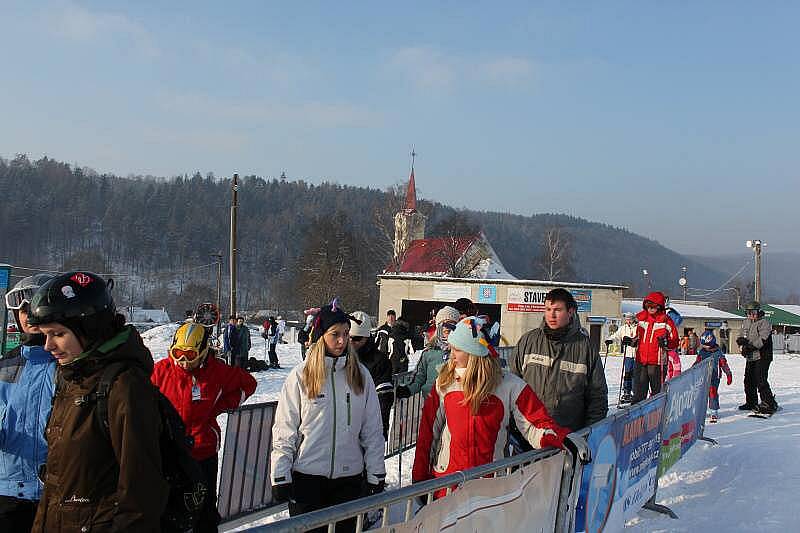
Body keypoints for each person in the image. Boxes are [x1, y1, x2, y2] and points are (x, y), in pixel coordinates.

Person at [27, 271, 168, 530]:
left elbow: (141, 493)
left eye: (58, 334)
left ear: (88, 329)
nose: (48, 346)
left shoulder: (123, 387)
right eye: (45, 335)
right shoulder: (73, 378)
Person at [412, 316, 569, 497]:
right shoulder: (445, 382)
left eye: (457, 349)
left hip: (491, 487)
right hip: (448, 485)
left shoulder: (508, 384)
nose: (451, 354)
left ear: (474, 353)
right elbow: (428, 432)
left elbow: (535, 424)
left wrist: (559, 438)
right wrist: (421, 477)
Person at [270, 300, 386, 532]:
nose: (342, 341)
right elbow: (285, 429)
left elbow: (372, 429)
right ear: (321, 335)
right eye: (335, 334)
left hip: (349, 480)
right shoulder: (301, 376)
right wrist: (280, 473)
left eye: (346, 333)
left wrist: (376, 470)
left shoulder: (360, 375)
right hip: (307, 479)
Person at [152, 322, 257, 532]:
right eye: (178, 353)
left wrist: (219, 405)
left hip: (202, 451)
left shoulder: (217, 372)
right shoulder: (161, 370)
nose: (182, 360)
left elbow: (248, 384)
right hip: (168, 453)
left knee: (203, 509)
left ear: (203, 352)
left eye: (190, 355)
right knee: (168, 512)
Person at [0, 274, 56, 531]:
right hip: (8, 492)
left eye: (33, 305)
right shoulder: (5, 366)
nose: (27, 314)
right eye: (21, 309)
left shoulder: (70, 365)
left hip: (58, 494)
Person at [509, 288, 608, 430]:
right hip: (526, 432)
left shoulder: (586, 348)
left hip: (566, 437)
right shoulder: (528, 341)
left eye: (558, 310)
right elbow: (511, 384)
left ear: (570, 312)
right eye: (548, 309)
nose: (551, 315)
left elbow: (598, 397)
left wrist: (587, 435)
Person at [396, 306, 460, 401]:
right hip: (431, 403)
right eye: (443, 323)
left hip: (455, 404)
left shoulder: (463, 352)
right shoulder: (429, 352)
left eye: (451, 324)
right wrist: (408, 389)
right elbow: (419, 377)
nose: (447, 327)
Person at [349, 311, 394, 439]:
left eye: (357, 338)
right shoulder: (341, 356)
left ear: (367, 337)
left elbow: (384, 399)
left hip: (367, 427)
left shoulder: (380, 361)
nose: (351, 341)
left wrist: (380, 431)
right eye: (349, 336)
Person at [631, 291, 679, 404]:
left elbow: (675, 341)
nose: (651, 308)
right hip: (640, 360)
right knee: (638, 392)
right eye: (648, 306)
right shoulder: (640, 319)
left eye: (654, 306)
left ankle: (657, 415)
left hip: (657, 363)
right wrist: (632, 340)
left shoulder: (666, 321)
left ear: (660, 306)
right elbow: (635, 335)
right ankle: (637, 418)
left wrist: (667, 343)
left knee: (657, 393)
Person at [736, 301, 777, 414]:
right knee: (748, 380)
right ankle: (751, 402)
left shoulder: (764, 323)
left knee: (760, 379)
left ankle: (768, 403)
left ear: (758, 312)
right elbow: (741, 334)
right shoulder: (746, 322)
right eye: (749, 313)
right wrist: (741, 342)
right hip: (751, 356)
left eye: (753, 312)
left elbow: (763, 339)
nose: (751, 315)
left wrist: (750, 346)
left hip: (763, 355)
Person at [693, 331, 732, 423]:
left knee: (712, 393)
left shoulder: (718, 353)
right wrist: (692, 371)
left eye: (707, 345)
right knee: (701, 394)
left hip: (714, 377)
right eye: (703, 345)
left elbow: (724, 364)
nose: (705, 347)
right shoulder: (702, 353)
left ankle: (714, 411)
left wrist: (728, 374)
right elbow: (697, 363)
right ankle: (701, 410)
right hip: (703, 377)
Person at [606, 311, 638, 403]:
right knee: (627, 373)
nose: (628, 321)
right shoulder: (623, 328)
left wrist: (634, 342)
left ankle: (635, 391)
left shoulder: (638, 327)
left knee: (635, 373)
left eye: (630, 319)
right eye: (627, 319)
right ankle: (627, 391)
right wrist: (610, 340)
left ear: (633, 319)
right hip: (628, 354)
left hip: (637, 354)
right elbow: (616, 336)